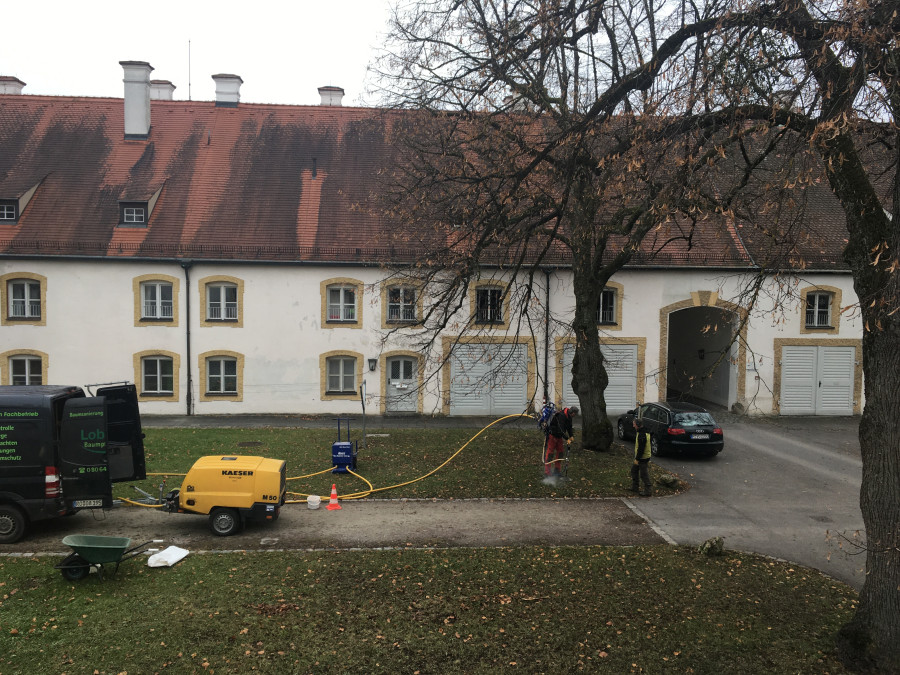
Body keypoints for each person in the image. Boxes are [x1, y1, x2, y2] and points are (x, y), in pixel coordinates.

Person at [542, 406, 578, 485]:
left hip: (559, 437)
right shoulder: (561, 416)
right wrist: (566, 438)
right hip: (553, 436)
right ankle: (547, 472)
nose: (574, 416)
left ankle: (557, 471)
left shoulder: (569, 416)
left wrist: (571, 435)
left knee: (560, 453)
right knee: (550, 454)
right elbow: (561, 429)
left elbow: (569, 427)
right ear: (573, 413)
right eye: (575, 415)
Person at [630, 418, 653, 497]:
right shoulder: (642, 431)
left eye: (634, 424)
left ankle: (648, 491)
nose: (633, 426)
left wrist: (637, 459)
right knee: (634, 470)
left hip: (643, 457)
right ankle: (635, 487)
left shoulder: (642, 434)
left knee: (643, 474)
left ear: (638, 425)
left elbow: (641, 448)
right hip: (642, 456)